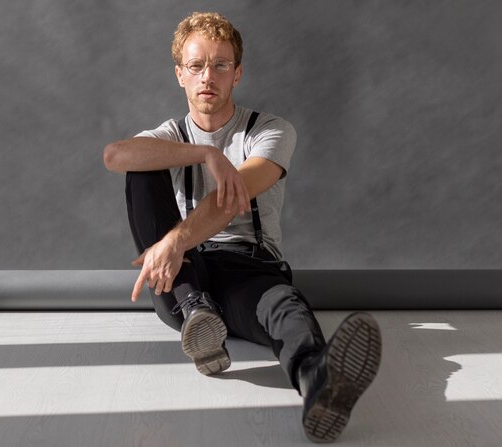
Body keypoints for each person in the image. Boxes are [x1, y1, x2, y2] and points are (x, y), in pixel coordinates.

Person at [103, 11, 382, 443]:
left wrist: (174, 239)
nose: (207, 76)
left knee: (285, 307)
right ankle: (196, 311)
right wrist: (204, 155)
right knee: (142, 166)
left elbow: (230, 199)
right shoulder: (171, 133)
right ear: (180, 74)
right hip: (181, 276)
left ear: (238, 73)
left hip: (246, 267)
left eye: (220, 64)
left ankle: (318, 383)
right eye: (196, 66)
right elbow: (116, 156)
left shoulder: (269, 131)